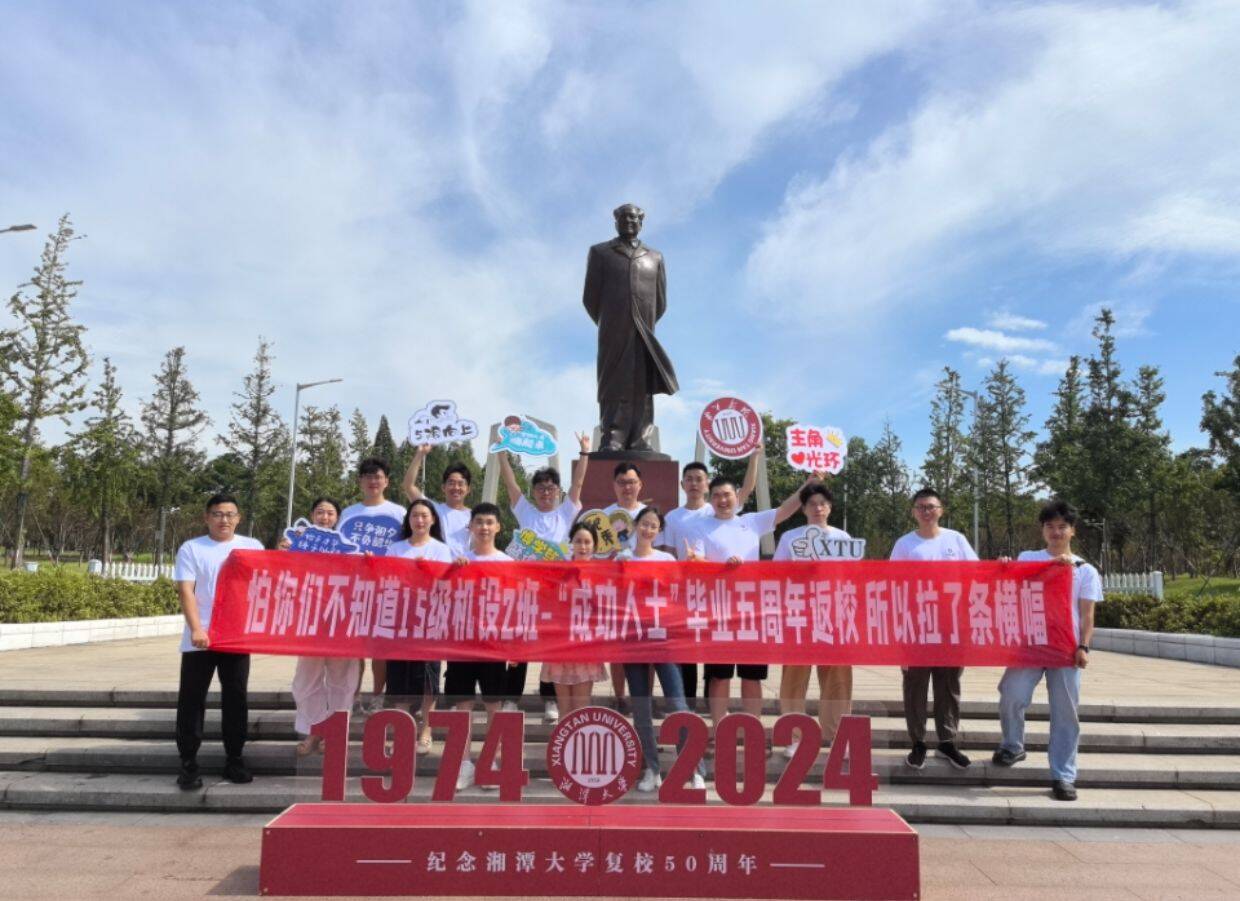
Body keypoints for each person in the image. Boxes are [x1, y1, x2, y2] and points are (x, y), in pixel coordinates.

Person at [693, 470, 820, 749]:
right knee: (719, 676)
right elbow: (695, 561)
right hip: (719, 612)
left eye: (727, 494)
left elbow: (785, 510)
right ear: (710, 500)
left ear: (737, 496)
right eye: (716, 496)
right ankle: (719, 730)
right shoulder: (701, 527)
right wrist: (722, 566)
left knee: (752, 676)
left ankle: (753, 731)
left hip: (753, 611)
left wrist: (807, 485)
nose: (722, 500)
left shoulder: (750, 522)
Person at [992, 499, 1103, 802]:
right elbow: (1009, 589)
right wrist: (1004, 567)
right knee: (1012, 693)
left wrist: (1084, 646)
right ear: (1042, 530)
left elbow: (1087, 614)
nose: (1056, 532)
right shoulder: (1028, 558)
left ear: (1073, 531)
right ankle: (1013, 745)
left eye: (1062, 527)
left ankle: (1063, 775)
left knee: (1065, 711)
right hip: (1030, 643)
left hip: (1064, 649)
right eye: (1050, 526)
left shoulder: (1084, 570)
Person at [497, 431, 592, 723]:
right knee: (521, 642)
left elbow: (578, 483)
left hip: (558, 592)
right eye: (540, 488)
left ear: (558, 491)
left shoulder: (565, 513)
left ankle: (549, 697)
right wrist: (501, 454)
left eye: (551, 488)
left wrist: (584, 452)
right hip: (526, 590)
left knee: (552, 644)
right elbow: (511, 484)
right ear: (534, 492)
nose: (546, 493)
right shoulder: (525, 512)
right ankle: (511, 698)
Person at [173, 493, 264, 789]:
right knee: (192, 699)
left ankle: (234, 759)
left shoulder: (252, 546)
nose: (224, 519)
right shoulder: (192, 548)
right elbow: (186, 590)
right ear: (206, 517)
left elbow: (267, 584)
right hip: (201, 637)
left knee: (236, 698)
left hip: (236, 636)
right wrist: (197, 629)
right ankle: (188, 763)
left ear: (238, 518)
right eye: (217, 514)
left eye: (229, 514)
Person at [890, 487, 976, 770]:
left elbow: (978, 574)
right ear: (913, 512)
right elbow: (893, 586)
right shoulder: (905, 544)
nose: (926, 512)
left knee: (948, 684)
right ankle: (918, 742)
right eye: (921, 507)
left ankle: (947, 741)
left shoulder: (956, 539)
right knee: (915, 686)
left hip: (951, 625)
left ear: (941, 510)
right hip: (917, 626)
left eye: (931, 507)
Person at [583, 202, 679, 452]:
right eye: (624, 218)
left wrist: (643, 320)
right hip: (612, 329)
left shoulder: (655, 257)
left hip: (644, 330)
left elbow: (661, 301)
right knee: (613, 381)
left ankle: (640, 437)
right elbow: (590, 298)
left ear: (641, 223)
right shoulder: (601, 252)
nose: (629, 221)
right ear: (615, 222)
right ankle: (612, 436)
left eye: (634, 218)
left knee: (642, 382)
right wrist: (611, 320)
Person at [622, 506, 706, 793]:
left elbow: (682, 593)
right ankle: (651, 768)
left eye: (653, 526)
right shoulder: (623, 558)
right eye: (644, 524)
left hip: (664, 640)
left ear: (659, 532)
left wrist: (695, 565)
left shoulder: (666, 559)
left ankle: (693, 768)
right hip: (633, 640)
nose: (647, 529)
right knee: (641, 707)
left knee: (678, 704)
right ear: (635, 525)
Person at [661, 456, 759, 703]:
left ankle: (709, 700)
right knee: (687, 648)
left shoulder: (718, 507)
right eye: (689, 479)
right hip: (687, 590)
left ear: (707, 484)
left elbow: (747, 488)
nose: (694, 483)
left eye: (699, 479)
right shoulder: (672, 517)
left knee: (713, 647)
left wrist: (755, 457)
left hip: (718, 593)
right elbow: (670, 554)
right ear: (682, 484)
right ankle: (687, 703)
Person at [773, 484, 857, 757]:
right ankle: (794, 737)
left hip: (834, 615)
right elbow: (777, 574)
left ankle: (838, 736)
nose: (818, 508)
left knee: (837, 678)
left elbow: (854, 577)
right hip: (799, 615)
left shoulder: (843, 537)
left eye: (823, 503)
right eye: (812, 504)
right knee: (794, 677)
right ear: (803, 509)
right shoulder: (790, 537)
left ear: (830, 508)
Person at [442, 502, 513, 791]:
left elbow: (516, 604)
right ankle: (463, 763)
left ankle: (491, 761)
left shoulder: (508, 563)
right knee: (463, 705)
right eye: (479, 522)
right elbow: (441, 595)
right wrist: (452, 573)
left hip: (494, 645)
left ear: (498, 527)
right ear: (470, 527)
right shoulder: (460, 561)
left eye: (489, 522)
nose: (484, 527)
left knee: (494, 704)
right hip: (462, 643)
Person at [286, 497, 361, 757]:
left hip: (341, 623)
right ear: (311, 515)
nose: (325, 517)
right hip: (310, 623)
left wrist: (369, 560)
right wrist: (283, 552)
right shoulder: (298, 544)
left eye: (330, 513)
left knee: (342, 681)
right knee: (306, 681)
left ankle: (336, 733)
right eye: (320, 512)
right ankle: (314, 730)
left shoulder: (350, 546)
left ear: (337, 518)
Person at [385, 499, 455, 755]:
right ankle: (401, 732)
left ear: (433, 520)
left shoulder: (441, 550)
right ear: (408, 520)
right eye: (415, 515)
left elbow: (446, 584)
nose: (420, 520)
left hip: (429, 625)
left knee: (428, 680)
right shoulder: (395, 548)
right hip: (400, 624)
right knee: (399, 679)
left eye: (425, 515)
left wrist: (428, 574)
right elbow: (386, 579)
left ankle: (426, 730)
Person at [338, 457, 408, 712]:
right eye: (367, 476)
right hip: (354, 590)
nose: (373, 481)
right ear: (360, 481)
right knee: (354, 649)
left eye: (377, 476)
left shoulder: (399, 513)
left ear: (386, 481)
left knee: (380, 648)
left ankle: (378, 695)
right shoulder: (348, 513)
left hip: (387, 590)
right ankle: (353, 695)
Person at [542, 521, 609, 718]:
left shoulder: (603, 573)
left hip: (586, 647)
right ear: (571, 543)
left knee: (581, 708)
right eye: (578, 541)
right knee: (564, 708)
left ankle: (580, 739)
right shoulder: (559, 571)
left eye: (587, 542)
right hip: (560, 645)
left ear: (595, 546)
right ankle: (561, 739)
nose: (583, 546)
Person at [402, 450, 473, 556]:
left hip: (462, 565)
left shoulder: (474, 516)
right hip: (436, 562)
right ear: (443, 487)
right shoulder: (433, 509)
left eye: (460, 484)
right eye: (451, 483)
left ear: (468, 489)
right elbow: (408, 486)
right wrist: (420, 453)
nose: (456, 487)